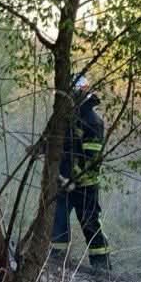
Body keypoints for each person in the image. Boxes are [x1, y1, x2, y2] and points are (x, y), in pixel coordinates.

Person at [50, 74, 111, 270]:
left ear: (81, 93)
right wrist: (39, 148)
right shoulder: (66, 118)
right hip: (63, 181)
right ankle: (55, 262)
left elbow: (91, 160)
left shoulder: (92, 121)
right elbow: (57, 142)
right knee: (57, 219)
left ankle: (101, 267)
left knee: (89, 223)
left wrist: (74, 178)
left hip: (85, 185)